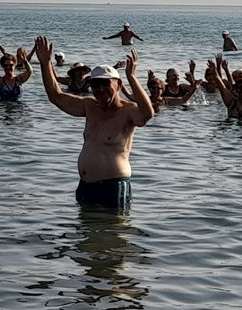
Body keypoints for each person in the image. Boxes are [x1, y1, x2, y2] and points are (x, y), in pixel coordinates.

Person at [34, 35, 153, 209]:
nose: (100, 89)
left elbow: (147, 114)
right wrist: (45, 64)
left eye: (106, 84)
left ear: (118, 85)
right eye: (96, 85)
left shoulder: (128, 111)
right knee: (86, 227)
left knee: (112, 227)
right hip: (86, 187)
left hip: (113, 187)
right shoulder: (90, 106)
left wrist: (132, 77)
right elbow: (56, 97)